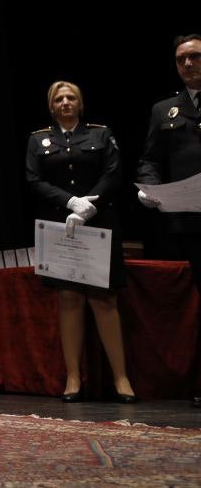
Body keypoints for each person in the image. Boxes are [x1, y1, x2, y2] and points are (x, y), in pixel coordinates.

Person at [26, 81, 136, 403]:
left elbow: (114, 173)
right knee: (69, 299)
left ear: (81, 103)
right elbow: (33, 179)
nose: (64, 102)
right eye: (58, 99)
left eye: (70, 97)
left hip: (99, 221)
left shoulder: (101, 134)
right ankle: (73, 377)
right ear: (51, 106)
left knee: (104, 299)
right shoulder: (37, 139)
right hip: (61, 225)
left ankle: (121, 378)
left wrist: (90, 204)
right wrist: (70, 202)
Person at [137, 34, 201, 408]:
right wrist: (148, 186)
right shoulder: (165, 110)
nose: (188, 64)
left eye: (195, 56)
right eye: (181, 59)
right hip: (191, 220)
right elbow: (151, 158)